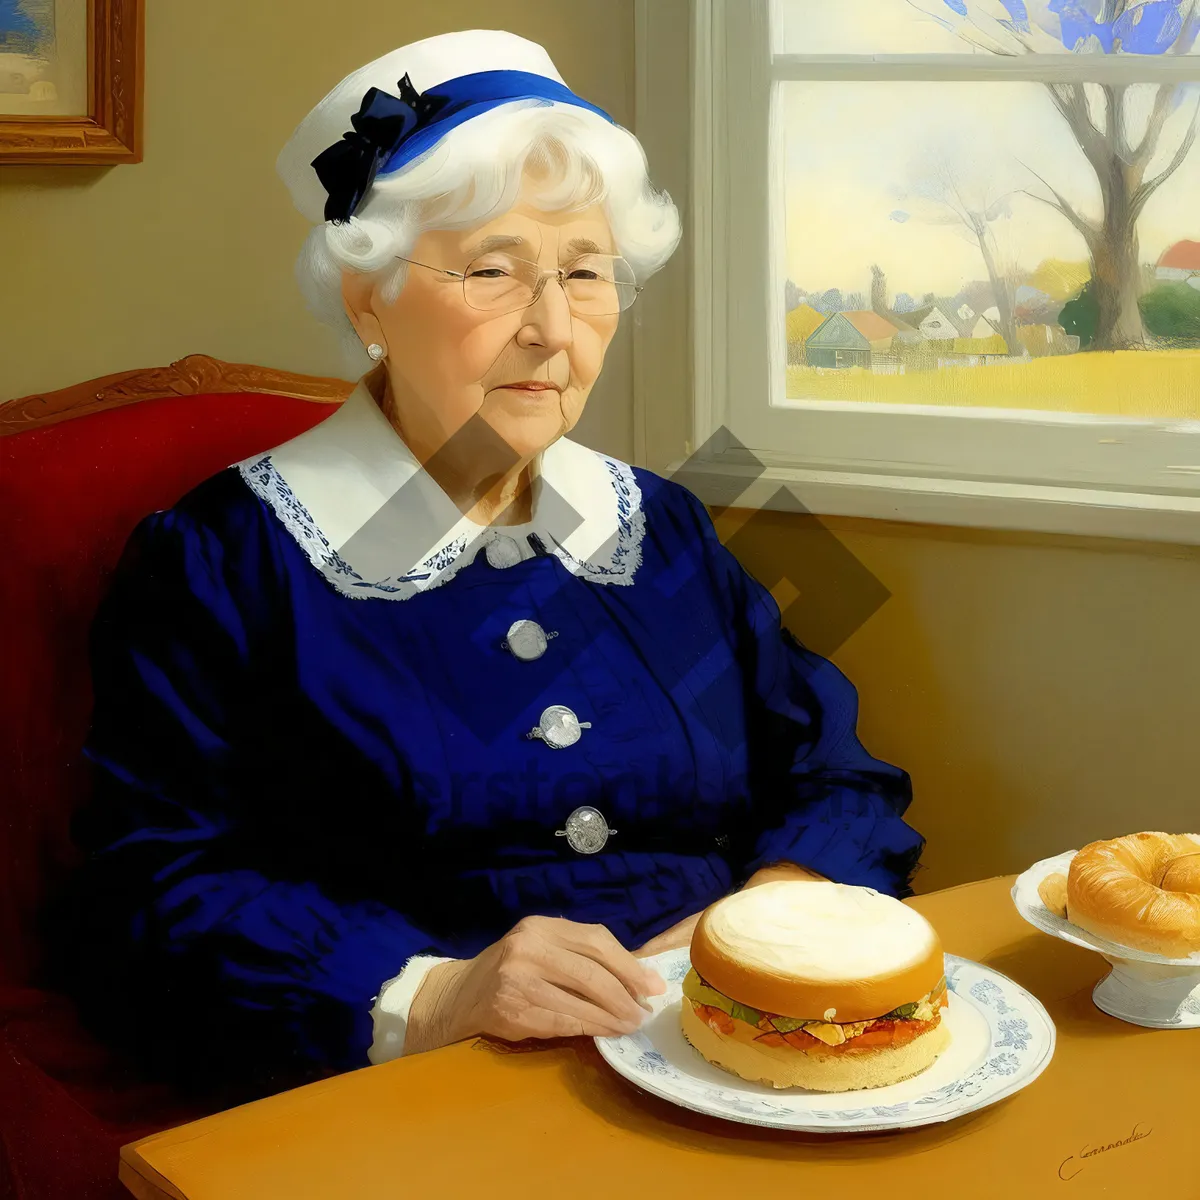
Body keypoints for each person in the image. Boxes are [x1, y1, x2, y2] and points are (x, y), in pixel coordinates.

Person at [45, 29, 925, 1105]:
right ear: (369, 302)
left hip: (727, 1052)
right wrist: (431, 995)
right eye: (493, 272)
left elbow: (840, 774)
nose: (553, 331)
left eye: (585, 274)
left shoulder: (672, 524)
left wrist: (769, 918)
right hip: (420, 1094)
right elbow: (153, 884)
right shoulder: (223, 559)